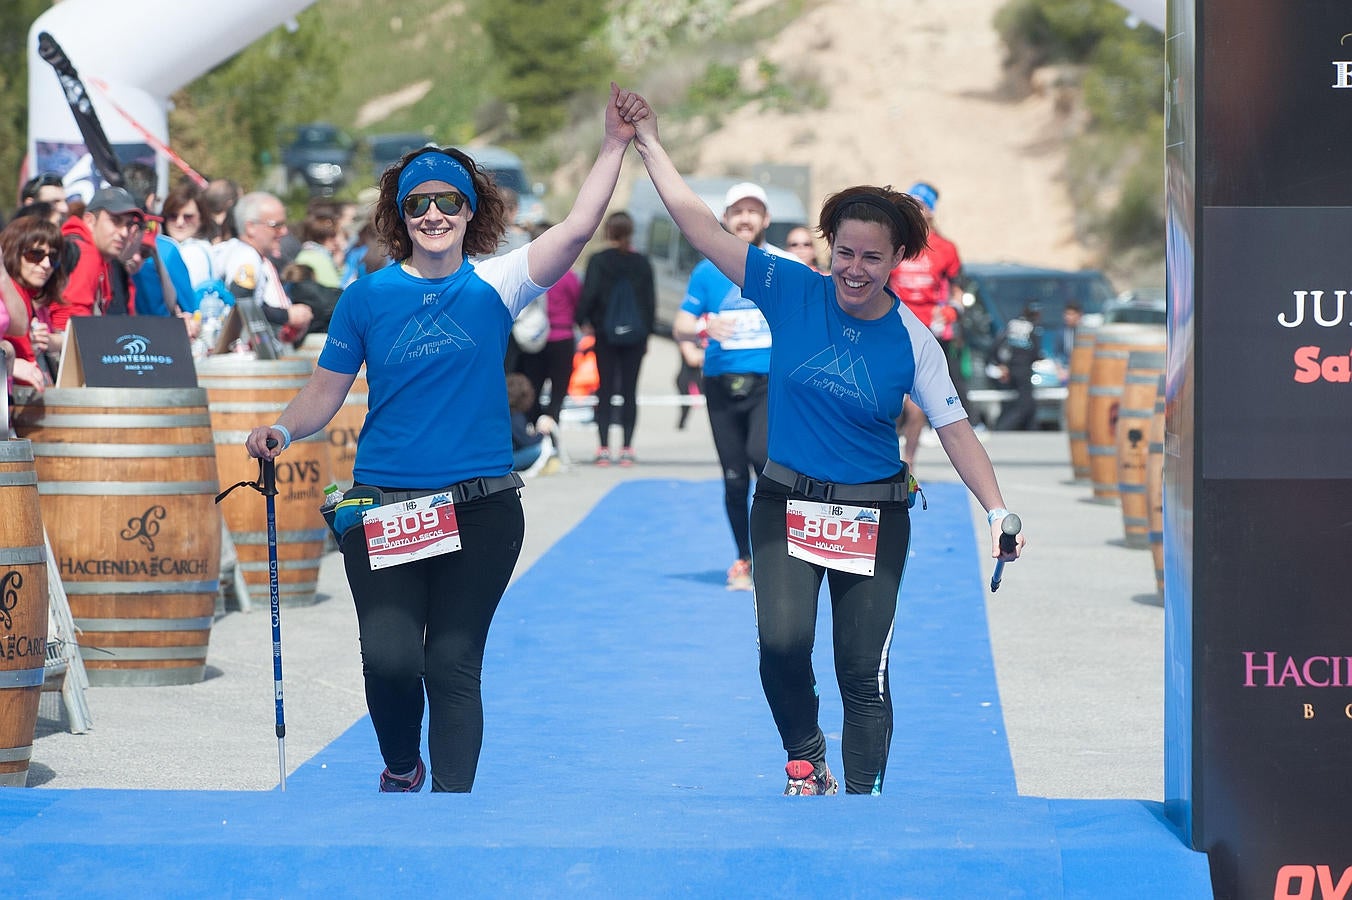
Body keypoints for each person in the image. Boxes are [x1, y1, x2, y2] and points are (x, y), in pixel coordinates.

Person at [244, 83, 650, 794]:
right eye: (418, 204)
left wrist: (614, 143)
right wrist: (281, 427)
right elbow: (323, 393)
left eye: (448, 201)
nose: (433, 214)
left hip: (481, 507)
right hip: (386, 507)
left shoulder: (498, 282)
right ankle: (402, 767)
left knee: (453, 663)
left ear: (471, 211)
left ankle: (453, 820)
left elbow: (580, 227)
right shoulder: (367, 296)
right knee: (393, 659)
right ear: (401, 217)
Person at [630, 95, 1025, 796]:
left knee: (860, 671)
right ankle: (807, 755)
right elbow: (697, 227)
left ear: (899, 259)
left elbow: (955, 428)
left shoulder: (913, 340)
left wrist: (998, 512)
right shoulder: (788, 287)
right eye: (844, 251)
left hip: (874, 517)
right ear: (827, 246)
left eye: (873, 257)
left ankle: (865, 799)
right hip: (785, 504)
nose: (854, 268)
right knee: (780, 647)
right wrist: (652, 145)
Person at [668, 182, 781, 590]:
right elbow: (681, 324)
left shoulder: (777, 264)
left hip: (769, 381)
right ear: (726, 218)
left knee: (762, 459)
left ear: (765, 219)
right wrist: (703, 327)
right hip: (720, 382)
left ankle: (775, 554)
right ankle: (744, 558)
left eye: (754, 211)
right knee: (734, 476)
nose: (746, 218)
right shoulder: (707, 269)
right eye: (738, 211)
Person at [888, 181, 969, 464]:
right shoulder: (894, 242)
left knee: (916, 404)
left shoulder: (946, 249)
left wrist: (951, 312)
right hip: (891, 328)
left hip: (928, 333)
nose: (914, 211)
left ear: (931, 212)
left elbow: (960, 292)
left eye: (920, 206)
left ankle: (908, 462)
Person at [576, 210, 655, 466]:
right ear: (631, 232)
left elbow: (589, 295)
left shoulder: (599, 260)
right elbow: (650, 302)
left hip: (605, 334)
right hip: (635, 336)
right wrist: (646, 335)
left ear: (607, 231)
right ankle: (628, 449)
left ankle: (603, 448)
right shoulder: (642, 262)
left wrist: (582, 320)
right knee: (630, 391)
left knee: (606, 391)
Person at [50, 186, 145, 361]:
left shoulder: (97, 254)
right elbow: (70, 323)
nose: (124, 233)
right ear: (89, 220)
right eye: (115, 221)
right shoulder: (86, 253)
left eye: (129, 224)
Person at [211, 191, 314, 350]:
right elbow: (241, 305)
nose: (284, 231)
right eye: (276, 226)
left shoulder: (242, 252)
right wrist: (287, 315)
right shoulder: (247, 257)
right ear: (251, 227)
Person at [517, 249, 580, 427]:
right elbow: (578, 303)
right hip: (563, 338)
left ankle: (532, 431)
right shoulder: (569, 277)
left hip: (535, 339)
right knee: (558, 393)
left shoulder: (536, 274)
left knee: (533, 390)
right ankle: (551, 431)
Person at [1, 215, 65, 389]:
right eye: (35, 254)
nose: (46, 264)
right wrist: (11, 363)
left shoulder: (31, 298)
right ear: (14, 251)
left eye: (53, 257)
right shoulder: (8, 292)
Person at [991, 301, 1044, 431]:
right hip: (1023, 369)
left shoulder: (1012, 324)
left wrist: (1001, 364)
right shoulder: (1032, 328)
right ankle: (1002, 428)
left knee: (1026, 403)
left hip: (1009, 369)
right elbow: (1035, 352)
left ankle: (1033, 429)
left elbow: (997, 346)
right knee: (1025, 404)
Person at [506, 372, 559, 476]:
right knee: (538, 450)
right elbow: (526, 441)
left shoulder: (507, 414)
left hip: (502, 455)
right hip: (511, 458)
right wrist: (542, 433)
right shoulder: (516, 417)